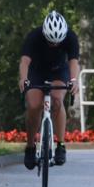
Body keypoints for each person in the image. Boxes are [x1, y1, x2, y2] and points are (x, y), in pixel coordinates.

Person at [18, 11, 79, 169]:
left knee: (57, 99)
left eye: (57, 43)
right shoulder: (35, 36)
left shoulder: (71, 37)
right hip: (36, 71)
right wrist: (23, 79)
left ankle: (60, 145)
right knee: (34, 105)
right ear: (44, 33)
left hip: (59, 71)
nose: (54, 45)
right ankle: (30, 147)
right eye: (51, 42)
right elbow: (24, 62)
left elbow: (73, 63)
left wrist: (74, 81)